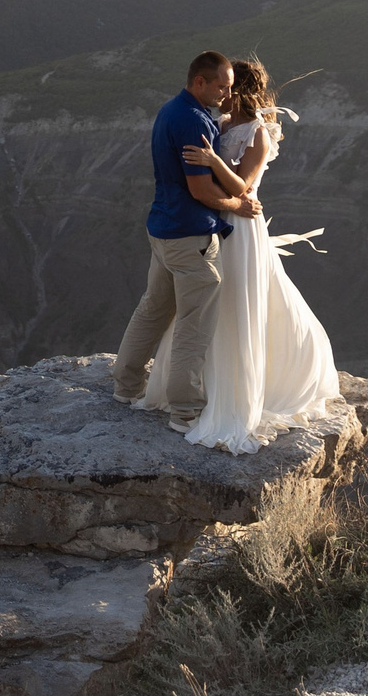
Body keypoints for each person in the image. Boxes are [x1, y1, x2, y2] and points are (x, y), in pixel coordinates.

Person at [141, 55, 344, 452]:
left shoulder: (258, 133)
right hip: (211, 223)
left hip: (242, 225)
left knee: (238, 304)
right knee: (207, 308)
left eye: (231, 89)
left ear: (243, 92)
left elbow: (244, 189)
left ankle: (240, 386)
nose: (225, 94)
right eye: (222, 87)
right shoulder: (219, 124)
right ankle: (201, 387)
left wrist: (215, 161)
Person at [111, 50, 259, 429]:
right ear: (200, 82)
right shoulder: (196, 123)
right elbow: (201, 191)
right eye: (222, 87)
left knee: (153, 308)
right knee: (195, 324)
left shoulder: (169, 110)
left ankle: (126, 386)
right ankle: (185, 411)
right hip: (191, 234)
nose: (227, 95)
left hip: (162, 227)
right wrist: (235, 205)